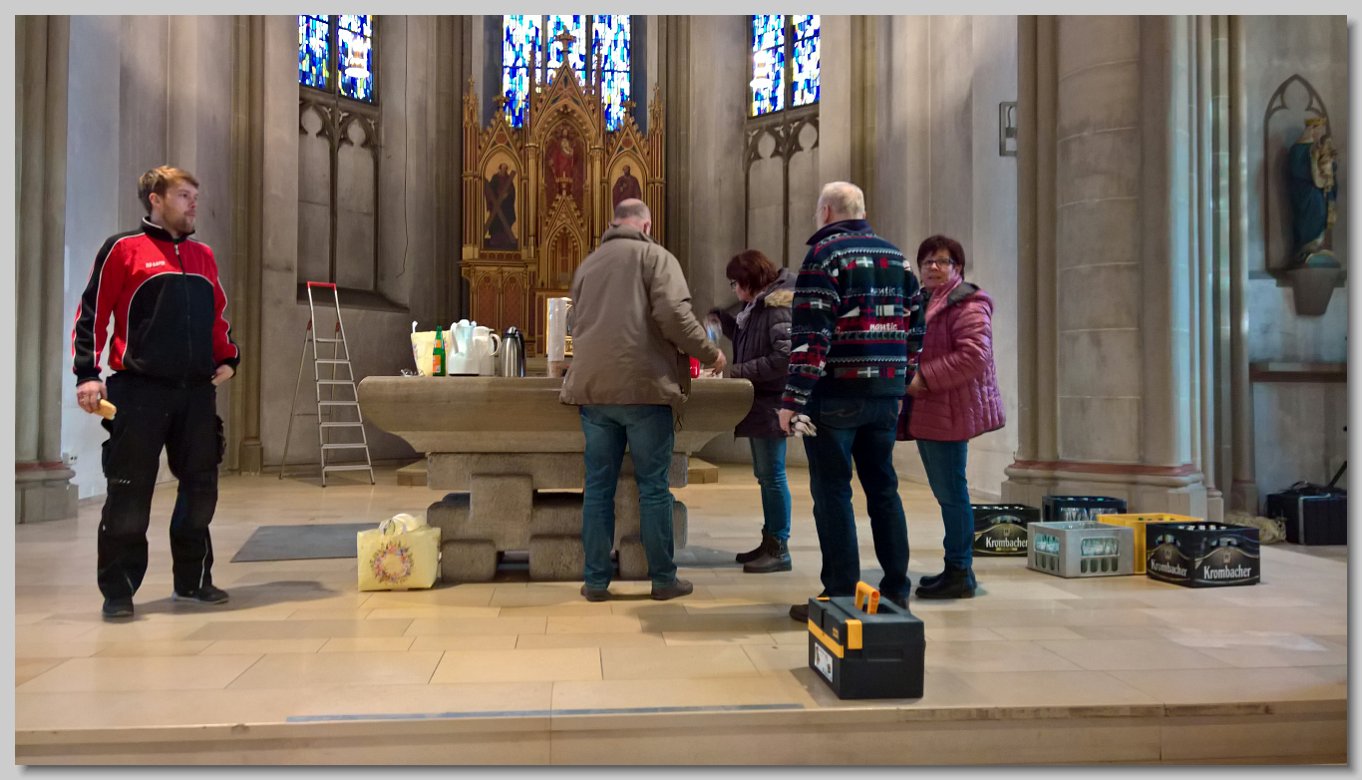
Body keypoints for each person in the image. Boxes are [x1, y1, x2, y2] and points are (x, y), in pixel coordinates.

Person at [71, 165, 240, 620]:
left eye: (195, 196)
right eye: (184, 195)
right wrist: (87, 374)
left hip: (196, 393)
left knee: (201, 489)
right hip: (139, 391)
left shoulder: (203, 256)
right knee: (129, 492)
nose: (193, 204)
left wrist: (228, 357)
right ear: (156, 199)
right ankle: (119, 590)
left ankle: (193, 579)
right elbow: (92, 313)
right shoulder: (123, 250)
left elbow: (216, 316)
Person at [560, 198, 726, 602]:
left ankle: (596, 581)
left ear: (614, 223)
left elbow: (573, 322)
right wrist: (711, 354)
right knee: (653, 488)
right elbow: (675, 317)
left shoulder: (588, 265)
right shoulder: (656, 258)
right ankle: (663, 579)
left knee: (598, 488)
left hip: (594, 392)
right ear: (646, 225)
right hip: (645, 389)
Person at [778, 182, 921, 622]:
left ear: (825, 211)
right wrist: (901, 379)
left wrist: (792, 399)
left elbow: (812, 336)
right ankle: (896, 589)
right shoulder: (897, 257)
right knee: (884, 490)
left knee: (833, 493)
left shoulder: (824, 256)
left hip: (835, 395)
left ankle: (840, 593)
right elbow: (916, 329)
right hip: (885, 396)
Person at [905, 235, 1004, 599]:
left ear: (957, 268)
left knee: (952, 493)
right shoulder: (923, 301)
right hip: (929, 408)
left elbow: (974, 355)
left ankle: (960, 571)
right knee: (946, 491)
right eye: (927, 261)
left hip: (948, 409)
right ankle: (955, 567)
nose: (933, 267)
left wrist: (924, 377)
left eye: (942, 261)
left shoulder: (968, 304)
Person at [706, 250, 795, 573]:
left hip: (772, 401)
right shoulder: (758, 305)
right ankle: (769, 540)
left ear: (749, 281)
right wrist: (723, 319)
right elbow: (751, 337)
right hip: (761, 401)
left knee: (773, 476)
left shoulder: (777, 306)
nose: (734, 289)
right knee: (766, 475)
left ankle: (779, 547)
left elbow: (783, 358)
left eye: (735, 283)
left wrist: (738, 371)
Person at [484, 163, 518, 251]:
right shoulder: (495, 178)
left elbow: (512, 191)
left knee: (506, 219)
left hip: (506, 205)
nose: (504, 170)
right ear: (500, 168)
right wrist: (497, 196)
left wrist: (508, 195)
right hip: (497, 203)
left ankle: (506, 239)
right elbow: (490, 189)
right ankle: (495, 239)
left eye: (505, 169)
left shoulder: (508, 179)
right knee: (496, 221)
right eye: (503, 168)